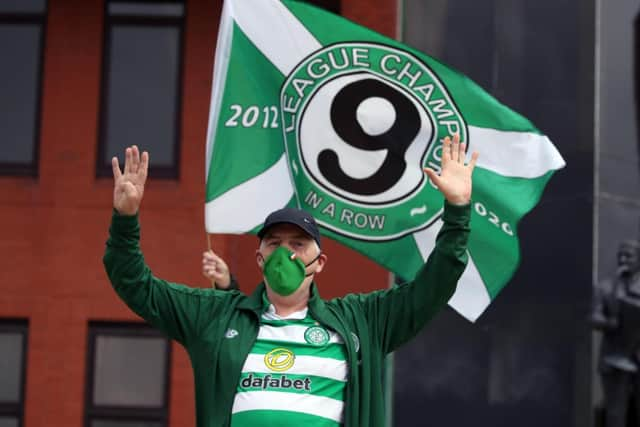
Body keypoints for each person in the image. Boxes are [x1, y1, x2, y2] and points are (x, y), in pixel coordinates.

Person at [104, 134, 478, 427]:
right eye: (275, 243)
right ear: (259, 257)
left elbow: (435, 286)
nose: (286, 253)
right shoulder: (215, 317)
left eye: (298, 244)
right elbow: (136, 284)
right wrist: (125, 217)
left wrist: (457, 211)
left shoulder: (362, 322)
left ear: (320, 262)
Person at [592, 240, 640, 427]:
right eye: (620, 255)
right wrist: (608, 322)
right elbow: (594, 315)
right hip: (615, 356)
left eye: (628, 256)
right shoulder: (605, 287)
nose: (623, 260)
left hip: (637, 353)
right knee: (615, 412)